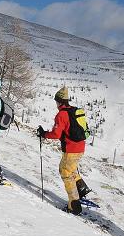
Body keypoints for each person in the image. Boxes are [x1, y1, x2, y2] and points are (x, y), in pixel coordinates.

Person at [36, 86, 91, 215]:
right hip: (80, 147)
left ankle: (74, 205)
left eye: (56, 101)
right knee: (69, 169)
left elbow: (56, 134)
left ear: (59, 101)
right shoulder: (74, 111)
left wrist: (44, 134)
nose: (56, 104)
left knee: (65, 172)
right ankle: (81, 188)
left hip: (71, 149)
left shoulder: (61, 114)